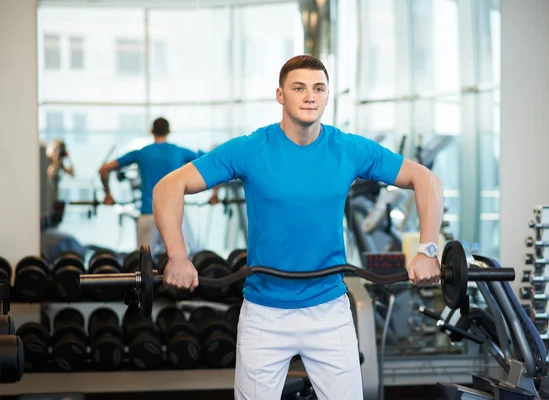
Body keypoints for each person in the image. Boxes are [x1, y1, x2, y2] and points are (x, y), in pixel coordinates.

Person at [153, 55, 444, 400]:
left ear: (327, 96)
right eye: (299, 88)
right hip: (264, 312)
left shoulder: (347, 149)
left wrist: (428, 250)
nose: (310, 96)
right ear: (280, 95)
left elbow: (424, 179)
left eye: (319, 88)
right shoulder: (251, 149)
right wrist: (177, 256)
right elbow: (168, 187)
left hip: (329, 309)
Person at [99, 117, 199, 252]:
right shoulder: (179, 152)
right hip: (173, 216)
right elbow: (213, 164)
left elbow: (104, 169)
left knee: (143, 264)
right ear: (169, 131)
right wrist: (214, 194)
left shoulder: (142, 153)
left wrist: (108, 195)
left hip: (149, 214)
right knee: (175, 262)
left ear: (152, 131)